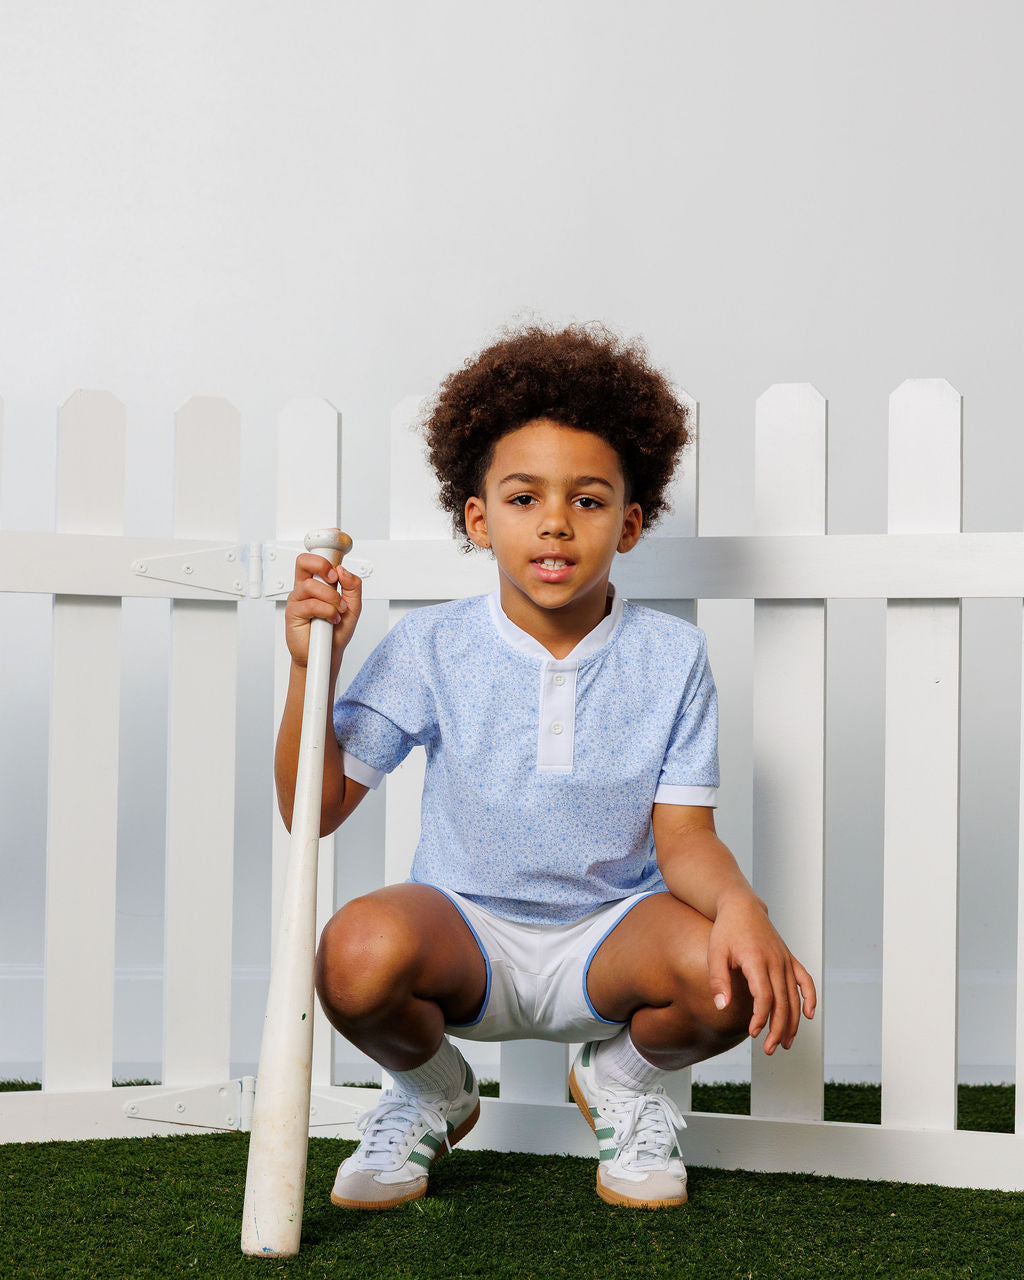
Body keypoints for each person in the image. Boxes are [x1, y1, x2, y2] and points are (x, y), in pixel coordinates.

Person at [277, 323, 816, 1212]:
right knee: (354, 955)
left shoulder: (672, 656)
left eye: (589, 500)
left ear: (630, 524)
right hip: (466, 929)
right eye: (524, 497)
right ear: (478, 519)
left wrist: (742, 909)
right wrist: (310, 670)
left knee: (729, 979)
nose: (556, 522)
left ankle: (619, 1081)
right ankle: (433, 1092)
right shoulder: (430, 645)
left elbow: (684, 839)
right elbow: (316, 808)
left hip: (611, 937)